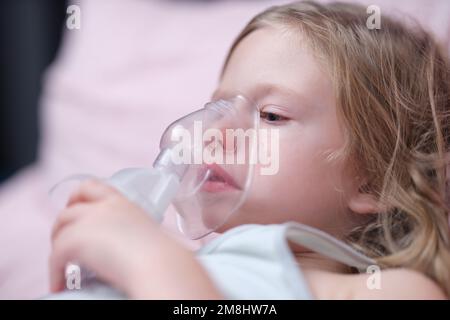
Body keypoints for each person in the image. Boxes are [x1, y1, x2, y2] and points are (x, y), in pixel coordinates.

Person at [48, 1, 450, 299]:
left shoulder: (386, 291)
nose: (214, 132)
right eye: (215, 108)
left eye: (272, 115)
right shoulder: (190, 258)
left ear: (374, 182)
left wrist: (141, 255)